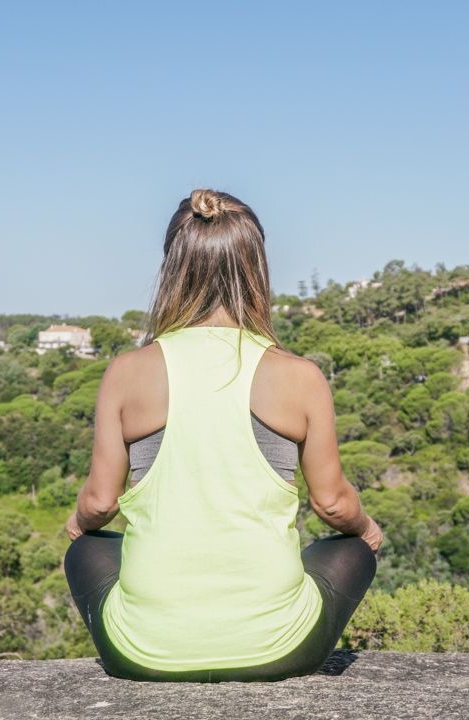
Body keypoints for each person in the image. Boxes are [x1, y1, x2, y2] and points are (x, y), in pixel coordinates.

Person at [63, 188, 382, 683]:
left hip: (143, 653)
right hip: (280, 649)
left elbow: (101, 503)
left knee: (88, 548)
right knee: (348, 550)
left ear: (172, 267)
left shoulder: (126, 373)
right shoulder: (300, 376)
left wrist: (79, 521)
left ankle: (162, 633)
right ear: (257, 267)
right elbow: (335, 506)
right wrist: (364, 529)